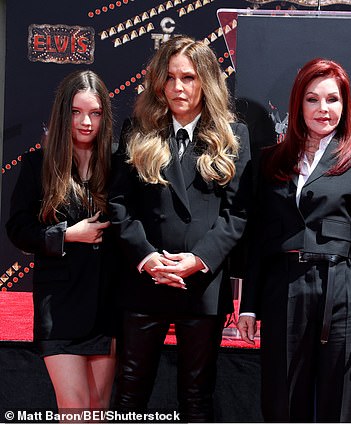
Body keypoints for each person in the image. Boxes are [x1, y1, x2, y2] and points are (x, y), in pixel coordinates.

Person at [108, 36, 251, 422]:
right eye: (169, 78)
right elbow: (119, 204)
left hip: (201, 286)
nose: (178, 87)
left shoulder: (233, 136)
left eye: (188, 77)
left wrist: (199, 259)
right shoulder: (136, 129)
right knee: (130, 392)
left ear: (205, 80)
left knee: (197, 396)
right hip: (144, 283)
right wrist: (148, 258)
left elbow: (237, 214)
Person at [236, 58, 351, 422]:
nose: (323, 109)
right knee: (283, 402)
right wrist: (249, 305)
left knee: (341, 404)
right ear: (297, 105)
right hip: (283, 287)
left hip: (342, 290)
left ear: (345, 105)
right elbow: (257, 239)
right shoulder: (269, 161)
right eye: (312, 99)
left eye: (332, 100)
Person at [6, 70, 116, 411]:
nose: (86, 122)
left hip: (106, 304)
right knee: (74, 408)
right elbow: (18, 229)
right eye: (77, 112)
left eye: (95, 113)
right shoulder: (39, 164)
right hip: (59, 304)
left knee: (98, 409)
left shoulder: (118, 164)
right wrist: (68, 235)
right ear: (62, 112)